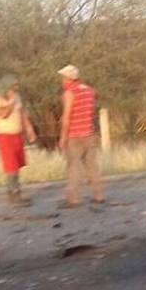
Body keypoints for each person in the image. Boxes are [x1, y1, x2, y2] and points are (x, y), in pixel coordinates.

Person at [57, 65, 106, 208]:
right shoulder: (89, 91)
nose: (62, 81)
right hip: (89, 133)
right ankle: (99, 195)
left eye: (63, 78)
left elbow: (67, 117)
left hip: (74, 135)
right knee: (92, 166)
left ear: (68, 79)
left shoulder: (69, 93)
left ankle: (74, 198)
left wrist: (63, 137)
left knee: (73, 166)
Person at [0, 75, 38, 206]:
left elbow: (22, 113)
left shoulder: (17, 97)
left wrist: (29, 128)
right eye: (13, 86)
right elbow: (3, 114)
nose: (15, 88)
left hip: (17, 134)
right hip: (4, 135)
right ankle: (14, 195)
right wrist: (11, 101)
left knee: (17, 165)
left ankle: (17, 193)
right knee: (11, 166)